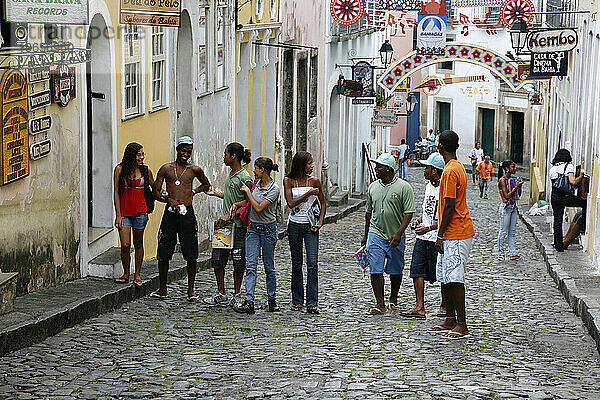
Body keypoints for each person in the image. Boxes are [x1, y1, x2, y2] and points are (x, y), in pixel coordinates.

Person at [150, 136, 211, 301]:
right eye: (183, 151)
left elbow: (206, 184)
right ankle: (162, 289)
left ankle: (191, 291)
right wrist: (169, 200)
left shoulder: (194, 170)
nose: (186, 154)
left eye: (189, 152)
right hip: (170, 213)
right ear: (177, 150)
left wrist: (193, 192)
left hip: (187, 214)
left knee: (191, 252)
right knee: (164, 251)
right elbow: (155, 192)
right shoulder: (166, 169)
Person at [430, 130, 475, 339]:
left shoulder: (449, 171)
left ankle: (462, 324)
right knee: (446, 276)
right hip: (452, 231)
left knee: (455, 278)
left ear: (440, 147)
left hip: (456, 231)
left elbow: (448, 205)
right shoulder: (457, 167)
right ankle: (450, 319)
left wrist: (440, 235)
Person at [361, 153, 415, 314]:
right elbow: (368, 213)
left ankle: (393, 297)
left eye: (379, 166)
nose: (376, 169)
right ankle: (380, 304)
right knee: (375, 269)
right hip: (375, 233)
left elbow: (408, 213)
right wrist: (365, 235)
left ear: (389, 169)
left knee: (395, 269)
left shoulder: (404, 187)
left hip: (395, 236)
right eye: (376, 166)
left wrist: (399, 233)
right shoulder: (373, 187)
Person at [204, 143, 253, 306]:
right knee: (217, 260)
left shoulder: (245, 177)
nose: (223, 157)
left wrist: (231, 214)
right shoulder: (231, 174)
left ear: (234, 156)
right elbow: (231, 196)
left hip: (238, 226)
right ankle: (221, 293)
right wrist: (217, 193)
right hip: (224, 227)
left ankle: (237, 294)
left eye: (226, 154)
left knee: (238, 261)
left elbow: (249, 202)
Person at [234, 157, 281, 315]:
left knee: (269, 266)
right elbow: (249, 203)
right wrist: (238, 204)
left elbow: (259, 207)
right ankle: (249, 302)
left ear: (263, 170)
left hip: (268, 230)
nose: (253, 170)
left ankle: (272, 299)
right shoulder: (255, 184)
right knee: (251, 266)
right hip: (253, 229)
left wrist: (247, 192)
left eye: (256, 168)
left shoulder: (274, 189)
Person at [283, 151, 327, 314]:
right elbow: (291, 203)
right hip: (294, 226)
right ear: (301, 165)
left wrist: (320, 221)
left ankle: (312, 302)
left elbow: (323, 203)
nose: (312, 166)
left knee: (312, 264)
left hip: (310, 227)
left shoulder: (315, 181)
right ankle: (297, 300)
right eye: (309, 163)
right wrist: (308, 192)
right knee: (296, 263)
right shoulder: (289, 181)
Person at [403, 152, 445, 319]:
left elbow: (445, 216)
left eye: (427, 167)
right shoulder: (429, 186)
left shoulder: (444, 188)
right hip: (423, 236)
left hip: (437, 237)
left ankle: (444, 305)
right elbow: (428, 210)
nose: (424, 170)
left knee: (441, 272)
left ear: (434, 170)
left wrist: (429, 228)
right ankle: (420, 306)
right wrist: (419, 221)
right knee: (417, 269)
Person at [113, 143, 155, 287]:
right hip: (124, 213)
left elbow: (154, 188)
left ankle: (137, 274)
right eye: (139, 155)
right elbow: (116, 192)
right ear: (131, 155)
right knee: (125, 245)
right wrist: (118, 215)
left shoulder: (145, 170)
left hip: (140, 212)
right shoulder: (120, 169)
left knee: (138, 243)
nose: (142, 157)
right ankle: (126, 273)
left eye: (143, 154)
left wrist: (165, 194)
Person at [549, 149, 586, 252]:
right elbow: (573, 182)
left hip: (554, 196)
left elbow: (554, 183)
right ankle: (583, 225)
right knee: (584, 203)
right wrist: (580, 177)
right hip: (565, 196)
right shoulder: (568, 167)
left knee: (557, 220)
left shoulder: (553, 168)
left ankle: (558, 245)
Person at [498, 160, 523, 261]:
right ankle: (501, 253)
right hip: (506, 207)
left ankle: (513, 253)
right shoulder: (502, 180)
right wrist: (516, 187)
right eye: (513, 167)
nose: (515, 169)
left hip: (513, 207)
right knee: (503, 231)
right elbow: (506, 196)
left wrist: (519, 187)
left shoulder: (511, 180)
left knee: (512, 232)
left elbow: (518, 195)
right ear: (507, 168)